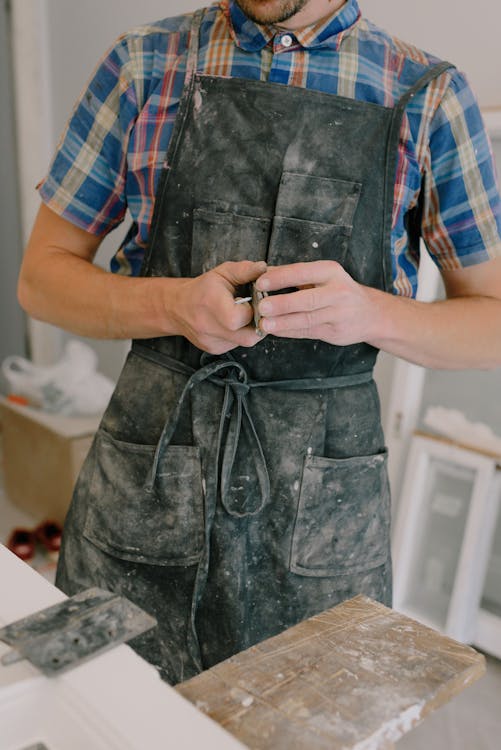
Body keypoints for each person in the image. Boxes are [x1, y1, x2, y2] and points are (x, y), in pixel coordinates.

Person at [18, 0, 501, 685]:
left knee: (307, 715)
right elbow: (41, 280)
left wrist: (366, 313)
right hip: (148, 481)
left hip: (321, 507)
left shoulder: (425, 94)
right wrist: (173, 304)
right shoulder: (144, 64)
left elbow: (491, 323)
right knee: (105, 709)